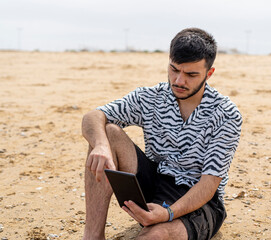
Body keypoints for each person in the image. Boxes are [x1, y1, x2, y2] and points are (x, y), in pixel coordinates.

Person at [82, 28, 242, 240]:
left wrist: (168, 214)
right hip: (155, 182)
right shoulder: (151, 97)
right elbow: (93, 116)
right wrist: (101, 145)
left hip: (200, 200)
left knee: (156, 235)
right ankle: (93, 236)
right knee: (107, 131)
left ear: (208, 73)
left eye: (191, 74)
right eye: (174, 69)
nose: (178, 81)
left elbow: (209, 184)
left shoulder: (226, 114)